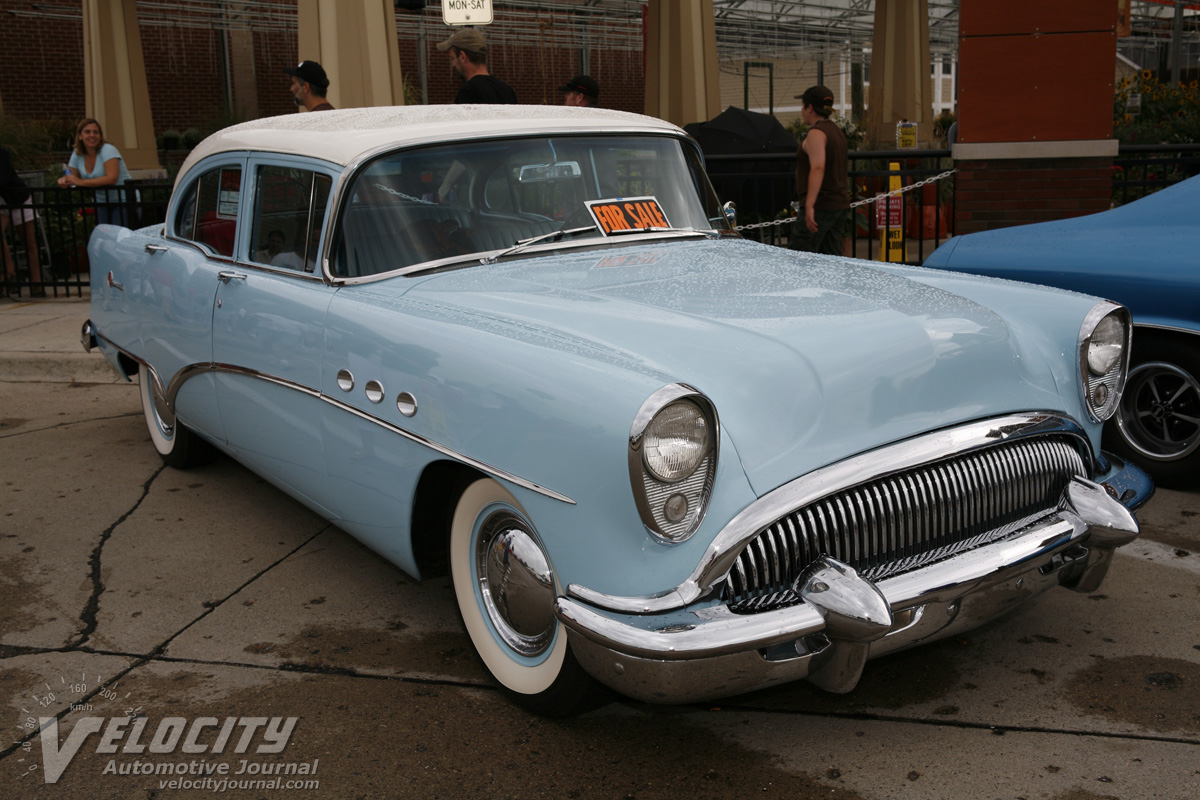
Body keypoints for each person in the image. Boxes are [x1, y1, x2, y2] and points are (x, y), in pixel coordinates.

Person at [788, 85, 849, 256]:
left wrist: (809, 205)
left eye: (803, 106)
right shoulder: (836, 132)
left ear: (810, 108)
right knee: (830, 260)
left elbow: (818, 166)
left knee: (799, 259)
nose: (802, 111)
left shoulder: (816, 133)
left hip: (820, 206)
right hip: (838, 204)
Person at [56, 118, 132, 227]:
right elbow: (71, 176)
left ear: (100, 136)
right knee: (104, 238)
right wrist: (63, 180)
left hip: (123, 201)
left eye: (96, 132)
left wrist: (80, 182)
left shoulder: (108, 149)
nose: (92, 135)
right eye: (87, 132)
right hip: (101, 202)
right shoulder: (77, 153)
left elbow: (112, 178)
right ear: (80, 136)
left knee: (118, 239)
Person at [1, 145, 44, 297]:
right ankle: (9, 273)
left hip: (18, 199)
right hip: (2, 203)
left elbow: (3, 179)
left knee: (29, 242)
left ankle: (37, 283)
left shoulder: (2, 152)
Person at [436, 28, 517, 105]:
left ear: (462, 57)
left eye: (452, 58)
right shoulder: (507, 90)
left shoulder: (468, 91)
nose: (452, 64)